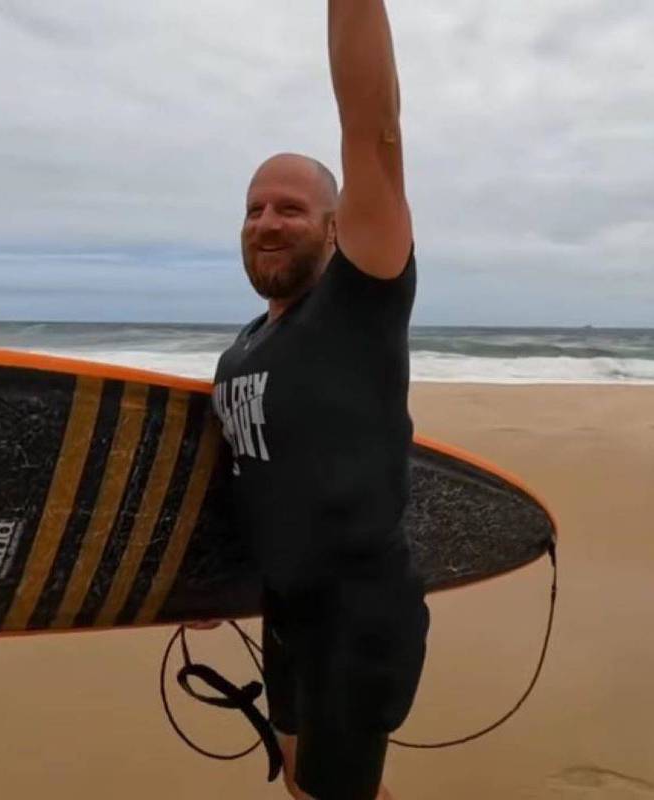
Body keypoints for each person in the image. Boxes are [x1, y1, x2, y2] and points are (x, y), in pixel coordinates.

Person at [201, 2, 429, 798]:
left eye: (290, 209)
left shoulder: (358, 306)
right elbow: (242, 488)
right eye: (255, 209)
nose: (267, 222)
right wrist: (204, 586)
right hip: (286, 610)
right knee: (303, 779)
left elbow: (373, 124)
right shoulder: (239, 354)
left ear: (338, 229)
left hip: (360, 617)